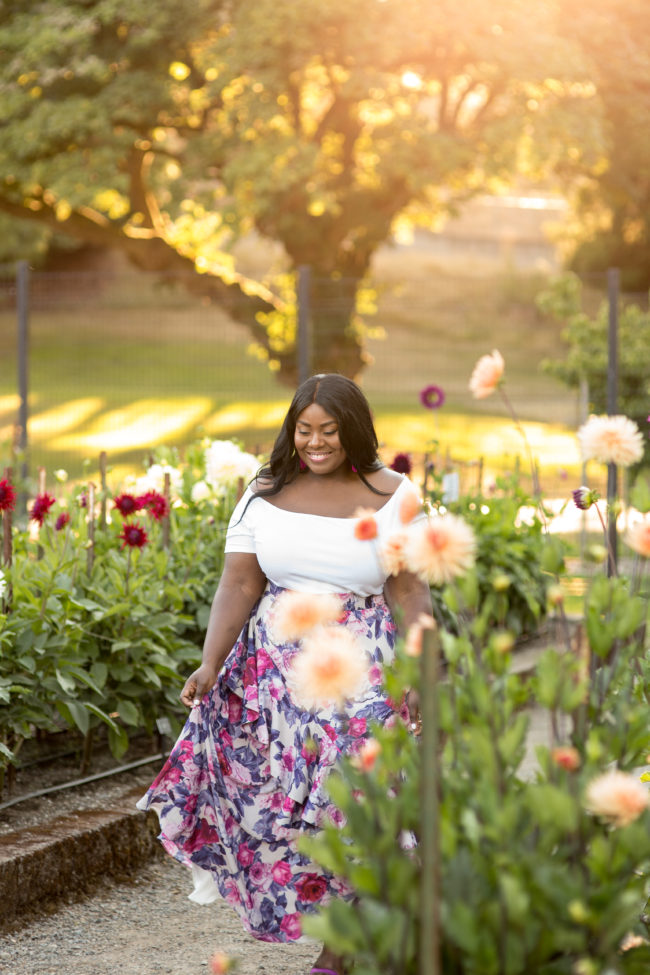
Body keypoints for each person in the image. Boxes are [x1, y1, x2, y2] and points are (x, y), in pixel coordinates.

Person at [137, 374, 432, 975]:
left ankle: (342, 949)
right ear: (291, 431)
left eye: (330, 431)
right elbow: (240, 582)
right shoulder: (262, 492)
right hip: (274, 677)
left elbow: (409, 590)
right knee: (284, 810)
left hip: (363, 671)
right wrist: (210, 661)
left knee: (354, 797)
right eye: (305, 430)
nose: (317, 443)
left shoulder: (397, 495)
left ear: (355, 431)